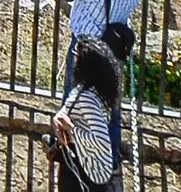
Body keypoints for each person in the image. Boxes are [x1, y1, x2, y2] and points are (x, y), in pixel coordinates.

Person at [51, 38, 125, 192]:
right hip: (80, 166)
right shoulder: (92, 91)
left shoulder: (88, 98)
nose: (74, 59)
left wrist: (71, 129)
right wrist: (59, 116)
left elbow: (101, 140)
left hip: (82, 170)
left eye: (76, 56)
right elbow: (69, 106)